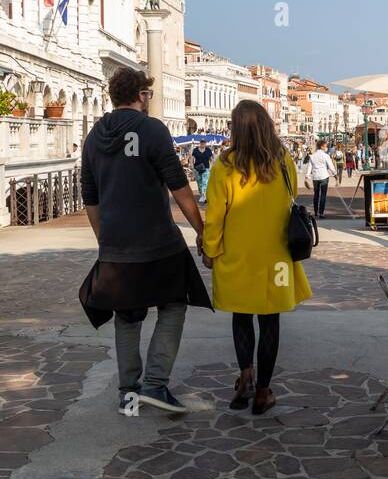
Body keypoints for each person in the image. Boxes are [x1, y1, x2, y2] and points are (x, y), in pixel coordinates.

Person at [79, 66, 211, 414]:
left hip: (116, 245)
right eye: (148, 94)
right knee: (173, 305)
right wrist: (201, 229)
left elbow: (89, 198)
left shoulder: (94, 136)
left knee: (127, 315)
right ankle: (155, 383)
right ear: (141, 95)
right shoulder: (152, 130)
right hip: (157, 240)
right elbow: (178, 187)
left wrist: (104, 240)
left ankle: (129, 392)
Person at [201, 101, 312, 415]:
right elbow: (293, 199)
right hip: (276, 258)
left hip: (237, 255)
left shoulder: (225, 165)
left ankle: (245, 378)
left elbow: (215, 214)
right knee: (270, 320)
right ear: (266, 126)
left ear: (235, 128)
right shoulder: (282, 160)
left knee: (241, 315)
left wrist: (211, 249)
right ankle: (263, 391)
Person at [307, 138, 337, 218]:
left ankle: (316, 211)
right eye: (325, 146)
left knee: (316, 194)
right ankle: (321, 212)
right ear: (322, 146)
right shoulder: (326, 155)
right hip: (324, 176)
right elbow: (331, 166)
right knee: (323, 195)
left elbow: (310, 167)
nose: (326, 148)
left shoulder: (312, 156)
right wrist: (335, 174)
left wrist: (307, 176)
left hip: (315, 177)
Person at [192, 138, 213, 203]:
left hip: (206, 168)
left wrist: (211, 167)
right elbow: (192, 158)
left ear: (205, 143)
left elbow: (211, 159)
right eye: (201, 142)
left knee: (205, 182)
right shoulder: (195, 150)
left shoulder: (208, 150)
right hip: (197, 168)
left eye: (204, 142)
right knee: (199, 183)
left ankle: (204, 195)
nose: (203, 143)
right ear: (200, 142)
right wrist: (192, 166)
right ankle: (202, 195)